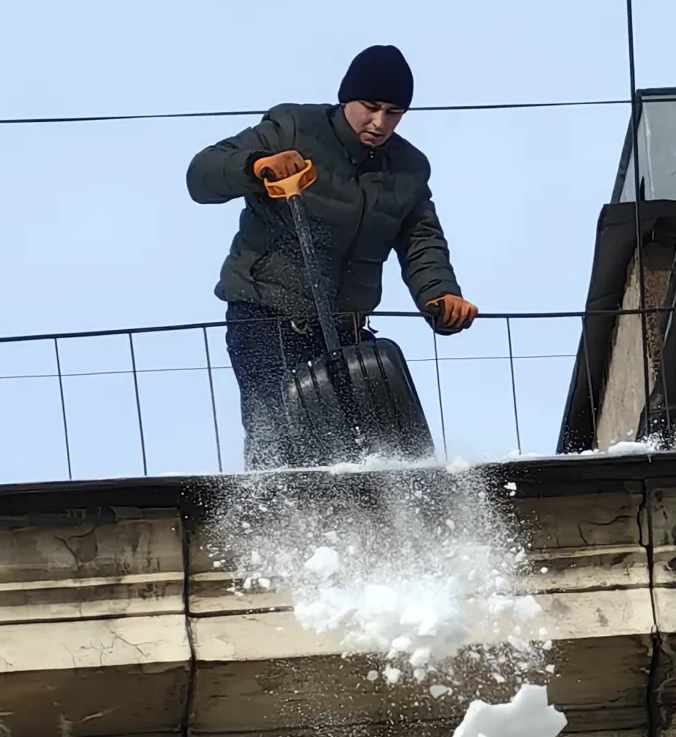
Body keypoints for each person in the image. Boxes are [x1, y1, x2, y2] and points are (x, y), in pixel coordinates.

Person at [187, 44, 477, 465]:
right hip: (267, 318)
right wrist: (257, 166)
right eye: (371, 107)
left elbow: (421, 240)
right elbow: (201, 174)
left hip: (345, 329)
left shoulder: (408, 168)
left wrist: (441, 294)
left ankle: (393, 504)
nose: (380, 123)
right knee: (279, 442)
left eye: (394, 112)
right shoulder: (292, 128)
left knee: (375, 447)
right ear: (347, 99)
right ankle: (271, 502)